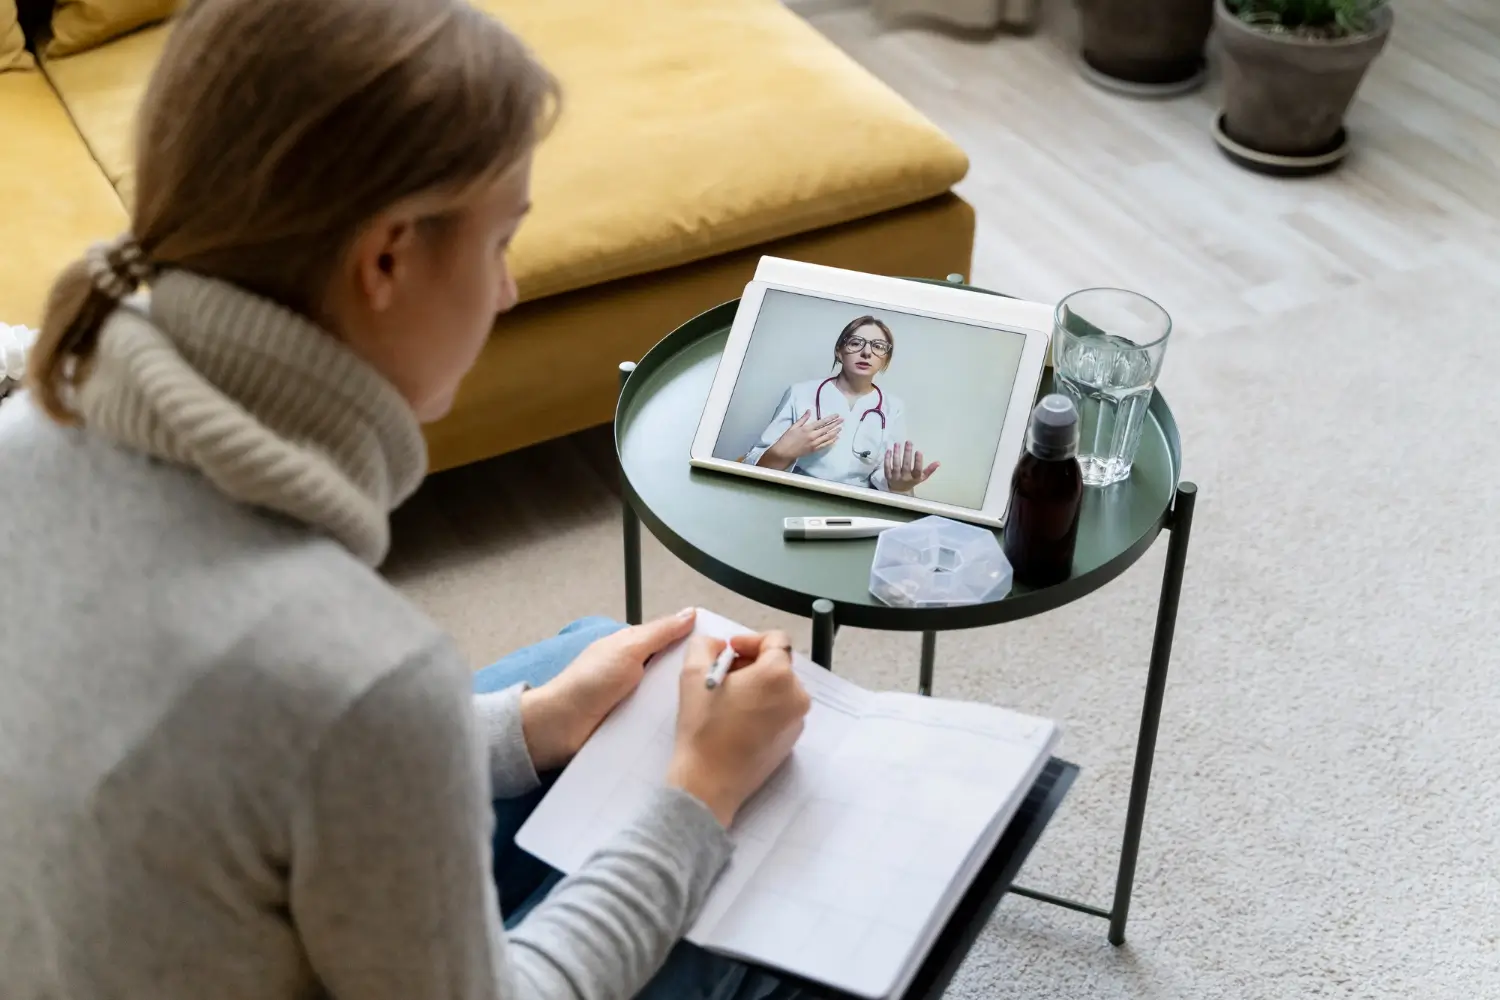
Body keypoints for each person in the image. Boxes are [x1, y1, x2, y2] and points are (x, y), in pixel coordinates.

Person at [0, 2, 812, 999]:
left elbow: (233, 753)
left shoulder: (29, 422)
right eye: (501, 240)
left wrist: (529, 724)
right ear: (387, 258)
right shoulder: (361, 675)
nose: (508, 290)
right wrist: (699, 798)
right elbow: (328, 723)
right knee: (775, 911)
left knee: (594, 661)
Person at [746, 315, 941, 495]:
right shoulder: (800, 393)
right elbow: (753, 462)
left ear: (885, 359)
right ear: (839, 352)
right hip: (797, 492)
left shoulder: (893, 407)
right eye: (856, 343)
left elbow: (885, 472)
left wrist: (897, 485)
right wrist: (781, 452)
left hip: (857, 501)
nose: (866, 352)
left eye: (878, 346)